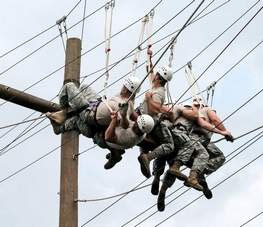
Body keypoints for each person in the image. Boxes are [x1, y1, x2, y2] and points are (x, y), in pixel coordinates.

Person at [46, 76, 141, 139]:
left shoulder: (125, 106)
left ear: (125, 89)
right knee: (84, 87)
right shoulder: (128, 100)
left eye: (123, 86)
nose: (122, 88)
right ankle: (74, 106)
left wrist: (122, 116)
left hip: (88, 113)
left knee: (68, 86)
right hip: (96, 103)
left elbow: (123, 123)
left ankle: (63, 111)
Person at [136, 46, 174, 178]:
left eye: (157, 75)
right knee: (168, 144)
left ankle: (146, 157)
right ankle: (145, 157)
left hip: (149, 118)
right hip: (145, 117)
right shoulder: (155, 85)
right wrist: (149, 57)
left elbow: (153, 109)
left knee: (169, 145)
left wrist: (148, 99)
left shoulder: (159, 92)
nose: (154, 75)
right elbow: (149, 70)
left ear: (159, 78)